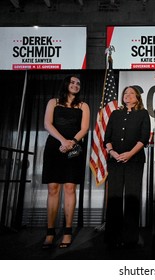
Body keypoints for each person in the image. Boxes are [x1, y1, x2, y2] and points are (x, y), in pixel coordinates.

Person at [41, 75, 90, 249]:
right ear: (66, 85)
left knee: (70, 188)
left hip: (74, 148)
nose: (75, 85)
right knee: (53, 188)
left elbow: (84, 128)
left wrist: (71, 142)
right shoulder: (53, 102)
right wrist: (62, 141)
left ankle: (68, 231)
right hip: (55, 146)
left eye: (78, 83)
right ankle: (50, 232)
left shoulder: (83, 105)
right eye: (72, 82)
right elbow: (47, 124)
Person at [103, 86, 151, 248]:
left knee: (132, 197)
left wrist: (130, 154)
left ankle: (130, 238)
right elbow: (107, 137)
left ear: (137, 97)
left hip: (135, 161)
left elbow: (144, 138)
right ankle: (112, 237)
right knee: (114, 198)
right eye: (125, 93)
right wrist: (112, 152)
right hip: (115, 161)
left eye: (131, 93)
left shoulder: (143, 114)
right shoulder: (115, 114)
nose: (127, 95)